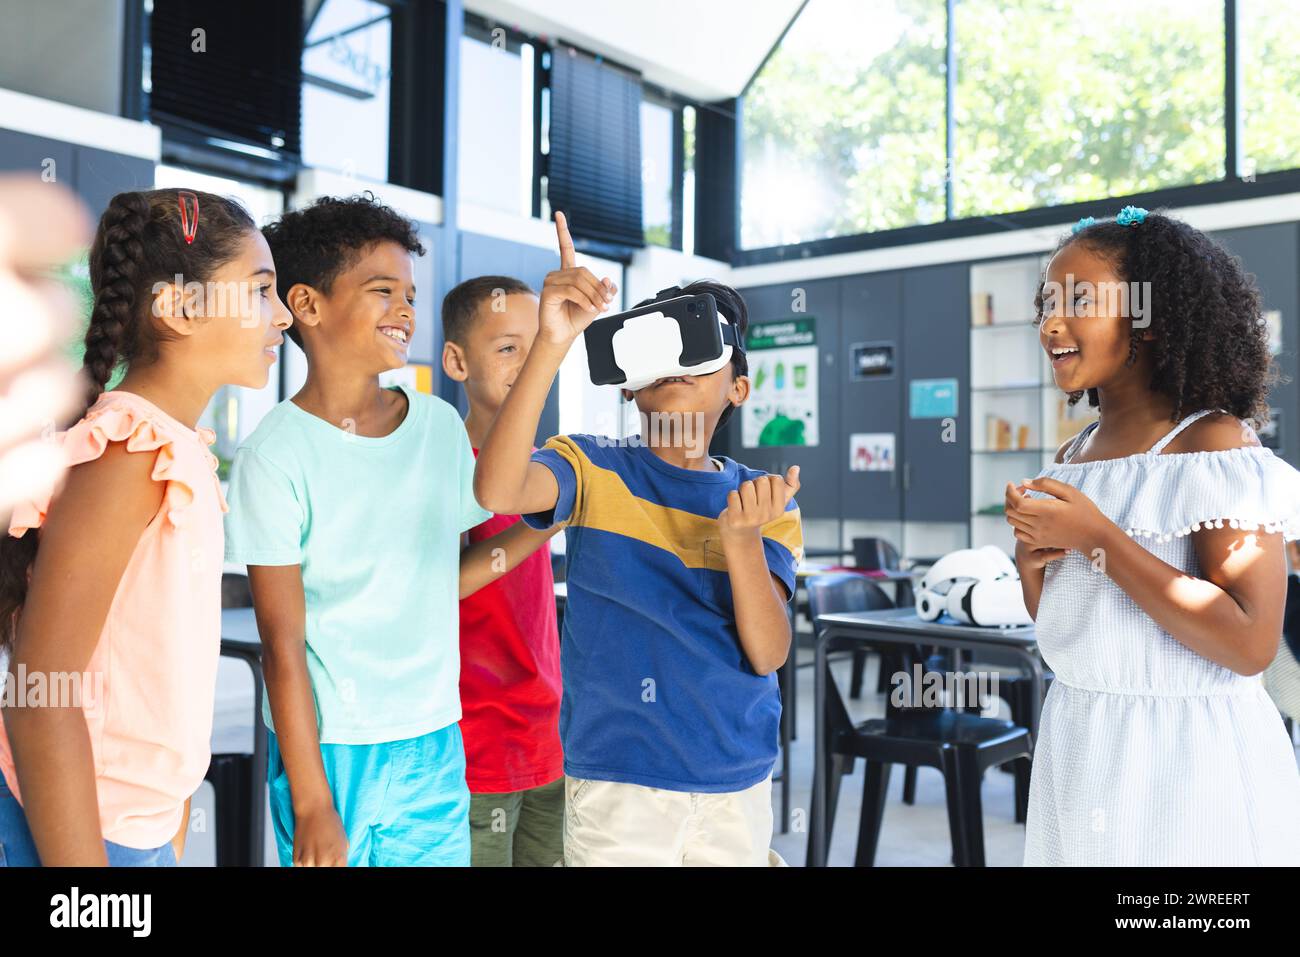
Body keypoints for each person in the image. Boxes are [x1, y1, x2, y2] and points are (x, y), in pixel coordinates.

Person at [475, 212, 803, 866]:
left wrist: (740, 540)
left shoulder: (764, 500)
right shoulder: (590, 466)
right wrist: (550, 343)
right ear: (629, 382)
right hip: (620, 780)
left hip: (734, 778)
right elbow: (499, 490)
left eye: (695, 350)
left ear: (737, 386)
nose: (674, 365)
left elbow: (767, 653)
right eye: (657, 352)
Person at [225, 195, 534, 867]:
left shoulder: (439, 429)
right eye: (382, 291)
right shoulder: (273, 455)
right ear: (306, 305)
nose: (406, 310)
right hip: (332, 752)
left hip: (433, 739)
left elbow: (442, 578)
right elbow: (283, 646)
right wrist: (311, 803)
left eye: (411, 295)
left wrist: (543, 522)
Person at [0, 188, 291, 865]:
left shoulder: (172, 445)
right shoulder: (131, 450)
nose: (280, 315)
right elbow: (40, 689)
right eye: (259, 290)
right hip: (74, 837)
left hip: (134, 832)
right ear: (178, 307)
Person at [1007, 206, 1300, 865]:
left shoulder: (1215, 446)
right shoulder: (1073, 454)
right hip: (1080, 744)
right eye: (1047, 302)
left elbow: (1251, 642)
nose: (1051, 322)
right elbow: (1063, 619)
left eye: (1079, 299)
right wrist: (1032, 556)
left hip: (1188, 762)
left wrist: (1096, 537)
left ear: (1152, 317)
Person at [441, 275, 565, 866]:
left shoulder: (546, 469)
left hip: (547, 738)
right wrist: (543, 523)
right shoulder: (446, 465)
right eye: (507, 347)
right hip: (476, 746)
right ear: (457, 362)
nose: (526, 360)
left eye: (538, 344)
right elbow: (444, 584)